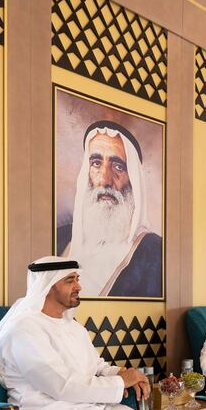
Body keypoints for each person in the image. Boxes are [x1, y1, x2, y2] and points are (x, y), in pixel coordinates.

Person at [0, 256, 194, 410]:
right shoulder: (23, 330)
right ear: (48, 286)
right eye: (70, 280)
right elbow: (62, 386)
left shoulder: (73, 327)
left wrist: (123, 373)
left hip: (89, 409)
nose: (79, 286)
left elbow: (96, 366)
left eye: (77, 279)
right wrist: (121, 381)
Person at [57, 121, 162, 298]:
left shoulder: (153, 251)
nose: (105, 180)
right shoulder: (61, 236)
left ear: (133, 180)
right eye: (96, 163)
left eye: (118, 166)